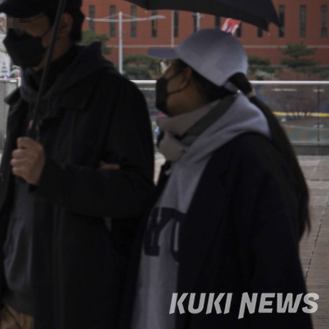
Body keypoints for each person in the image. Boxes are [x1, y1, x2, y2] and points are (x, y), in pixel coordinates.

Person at [0, 0, 156, 329]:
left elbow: (137, 194)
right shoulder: (25, 99)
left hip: (73, 305)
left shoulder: (115, 98)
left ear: (63, 25)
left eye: (26, 23)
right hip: (6, 300)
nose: (15, 33)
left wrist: (51, 176)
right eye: (11, 23)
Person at [121, 29, 312, 329]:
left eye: (167, 70)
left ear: (185, 78)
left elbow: (279, 288)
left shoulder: (249, 162)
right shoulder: (181, 152)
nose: (162, 79)